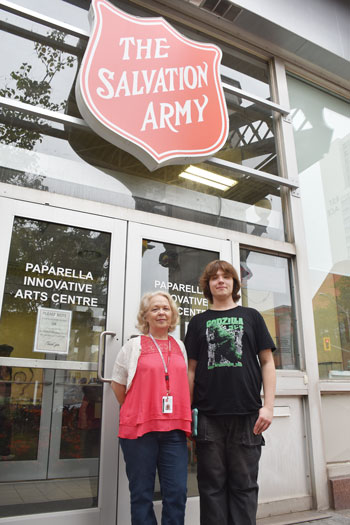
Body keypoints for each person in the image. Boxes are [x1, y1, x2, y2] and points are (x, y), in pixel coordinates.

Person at [185, 260, 276, 525]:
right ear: (208, 285)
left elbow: (268, 363)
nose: (220, 281)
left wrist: (268, 407)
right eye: (214, 278)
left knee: (244, 486)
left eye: (226, 276)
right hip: (208, 417)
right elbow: (191, 370)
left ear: (235, 283)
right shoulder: (198, 322)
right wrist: (187, 412)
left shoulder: (252, 317)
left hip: (248, 415)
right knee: (211, 488)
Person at [111, 291, 192, 525]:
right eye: (155, 309)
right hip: (139, 432)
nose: (161, 313)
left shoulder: (180, 346)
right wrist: (138, 409)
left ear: (172, 314)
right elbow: (118, 384)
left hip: (174, 432)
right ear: (145, 316)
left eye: (166, 309)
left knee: (176, 493)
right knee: (141, 495)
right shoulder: (133, 346)